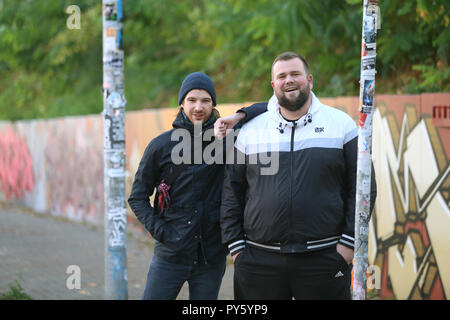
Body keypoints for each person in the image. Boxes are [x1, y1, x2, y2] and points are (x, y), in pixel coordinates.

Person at [220, 52, 377, 300]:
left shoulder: (341, 126)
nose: (288, 80)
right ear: (273, 85)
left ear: (310, 80)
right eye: (281, 76)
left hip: (324, 259)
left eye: (295, 74)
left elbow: (362, 187)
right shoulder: (250, 131)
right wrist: (237, 248)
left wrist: (347, 246)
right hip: (259, 261)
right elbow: (232, 192)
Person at [128, 72, 266, 300]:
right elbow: (137, 197)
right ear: (182, 103)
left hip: (211, 257)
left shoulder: (229, 139)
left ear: (213, 104)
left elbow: (272, 107)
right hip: (170, 255)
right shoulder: (161, 146)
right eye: (192, 100)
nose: (198, 107)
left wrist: (238, 117)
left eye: (206, 100)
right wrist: (162, 232)